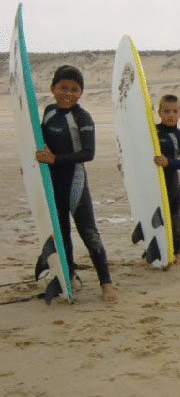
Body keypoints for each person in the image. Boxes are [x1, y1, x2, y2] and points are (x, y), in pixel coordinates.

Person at [35, 65, 117, 302]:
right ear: (52, 88)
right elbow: (41, 142)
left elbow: (88, 153)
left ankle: (106, 283)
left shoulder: (82, 117)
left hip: (75, 183)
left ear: (81, 92)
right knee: (61, 233)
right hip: (53, 182)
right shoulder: (49, 112)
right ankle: (69, 276)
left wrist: (55, 159)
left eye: (74, 89)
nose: (68, 93)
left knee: (89, 233)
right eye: (63, 88)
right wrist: (35, 164)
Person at [154, 94, 180, 265]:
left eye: (174, 111)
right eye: (166, 111)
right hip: (153, 182)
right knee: (153, 217)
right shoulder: (152, 132)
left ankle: (178, 253)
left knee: (174, 216)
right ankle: (150, 253)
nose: (170, 115)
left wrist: (169, 162)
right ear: (159, 112)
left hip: (171, 181)